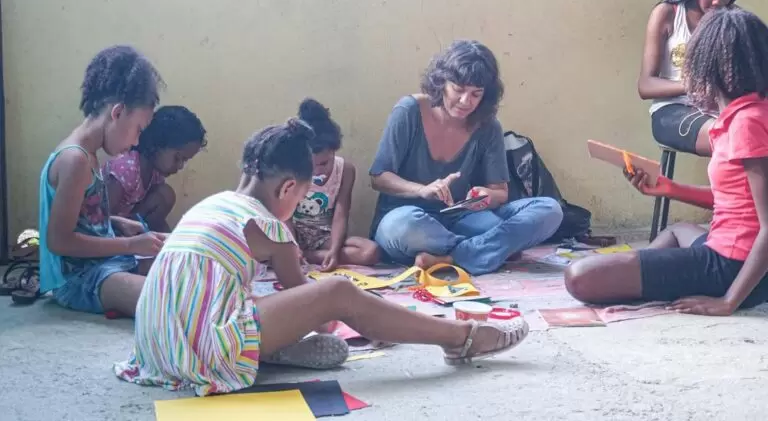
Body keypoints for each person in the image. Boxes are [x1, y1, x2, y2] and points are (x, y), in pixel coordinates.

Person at [114, 118, 529, 396]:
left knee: (258, 299)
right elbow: (323, 311)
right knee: (338, 291)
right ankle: (462, 338)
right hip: (203, 351)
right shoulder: (271, 228)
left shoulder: (211, 205)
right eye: (300, 198)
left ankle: (276, 349)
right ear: (287, 188)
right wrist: (373, 317)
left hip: (157, 346)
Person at [566, 8, 768, 316]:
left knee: (578, 276)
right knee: (677, 231)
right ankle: (645, 276)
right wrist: (669, 188)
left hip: (731, 266)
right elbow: (737, 199)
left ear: (711, 66)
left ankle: (645, 279)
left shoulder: (747, 122)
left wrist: (728, 301)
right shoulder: (738, 116)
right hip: (729, 251)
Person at [369, 40, 563, 275]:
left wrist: (486, 196)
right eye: (458, 90)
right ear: (441, 82)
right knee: (402, 227)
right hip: (409, 220)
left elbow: (500, 193)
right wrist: (422, 190)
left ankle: (451, 257)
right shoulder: (409, 110)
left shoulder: (488, 126)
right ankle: (491, 250)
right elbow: (379, 177)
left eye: (476, 94)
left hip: (463, 218)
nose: (465, 101)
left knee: (549, 209)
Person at [38, 45, 167, 315]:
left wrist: (116, 222)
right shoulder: (75, 160)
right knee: (166, 300)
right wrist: (130, 245)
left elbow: (81, 218)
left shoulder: (88, 155)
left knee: (177, 262)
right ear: (117, 113)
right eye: (138, 130)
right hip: (79, 279)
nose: (137, 141)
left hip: (106, 263)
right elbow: (59, 241)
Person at [638, 0, 744, 156]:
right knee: (733, 138)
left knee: (752, 133)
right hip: (673, 110)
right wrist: (694, 86)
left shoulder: (734, 19)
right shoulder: (668, 14)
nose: (718, 1)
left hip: (722, 107)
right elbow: (645, 86)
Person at [292, 98, 380, 270]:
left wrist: (333, 250)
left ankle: (311, 256)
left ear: (334, 150)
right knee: (264, 246)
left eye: (324, 163)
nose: (317, 171)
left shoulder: (345, 170)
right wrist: (293, 247)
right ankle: (298, 254)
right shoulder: (293, 170)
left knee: (370, 252)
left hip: (325, 236)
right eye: (311, 165)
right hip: (294, 235)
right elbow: (284, 218)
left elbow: (341, 214)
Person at [103, 105, 207, 232]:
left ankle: (141, 235)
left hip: (127, 223)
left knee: (166, 194)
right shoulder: (126, 170)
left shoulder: (155, 173)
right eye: (178, 158)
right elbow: (100, 216)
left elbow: (159, 221)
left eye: (184, 160)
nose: (180, 166)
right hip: (103, 228)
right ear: (157, 144)